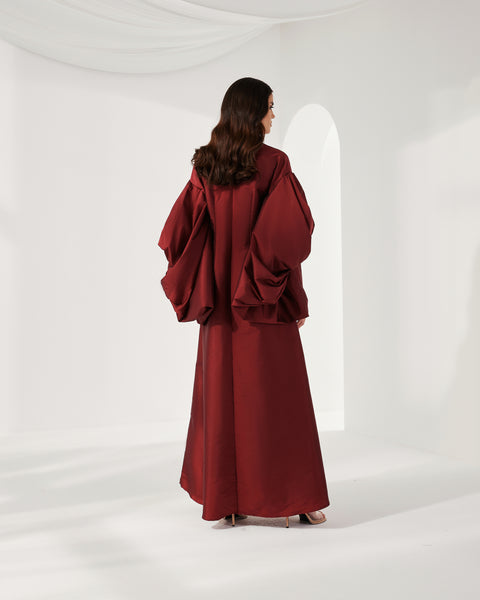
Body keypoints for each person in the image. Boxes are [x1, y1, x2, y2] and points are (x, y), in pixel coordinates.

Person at [158, 77, 330, 527]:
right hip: (262, 302)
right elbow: (287, 237)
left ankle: (227, 502)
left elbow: (179, 233)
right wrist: (285, 295)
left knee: (223, 404)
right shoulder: (274, 164)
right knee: (280, 400)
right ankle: (296, 499)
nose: (273, 116)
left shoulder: (206, 165)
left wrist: (206, 282)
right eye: (270, 107)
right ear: (252, 112)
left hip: (219, 307)